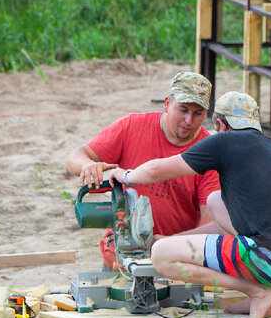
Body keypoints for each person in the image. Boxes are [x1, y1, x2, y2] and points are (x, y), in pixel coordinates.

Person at [102, 91, 271, 318]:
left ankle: (259, 292)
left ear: (220, 124)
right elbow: (230, 220)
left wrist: (126, 175)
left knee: (161, 255)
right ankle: (264, 294)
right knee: (216, 199)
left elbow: (158, 171)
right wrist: (173, 238)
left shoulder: (225, 141)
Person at [65, 71, 221, 267]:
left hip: (174, 259)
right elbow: (75, 158)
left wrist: (171, 243)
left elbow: (210, 221)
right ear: (167, 104)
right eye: (183, 110)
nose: (189, 120)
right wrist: (87, 166)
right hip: (122, 254)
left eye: (197, 113)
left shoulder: (209, 153)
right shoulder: (132, 126)